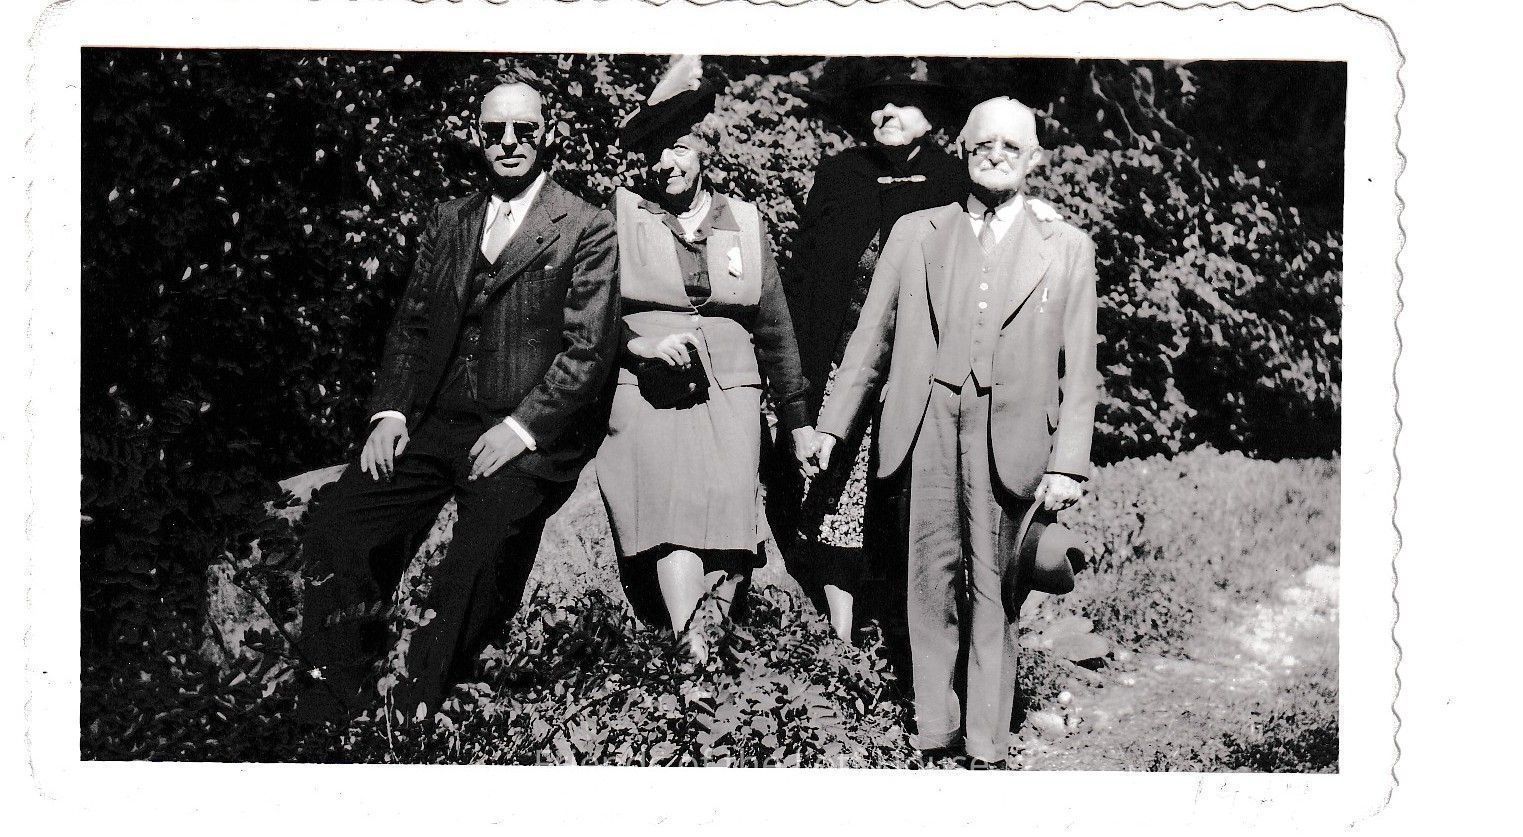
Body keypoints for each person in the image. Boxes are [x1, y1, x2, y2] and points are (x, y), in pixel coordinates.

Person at [294, 81, 621, 724]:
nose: (509, 143)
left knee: (479, 548)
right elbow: (412, 327)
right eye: (495, 131)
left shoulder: (587, 225)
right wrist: (390, 414)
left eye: (524, 130)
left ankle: (424, 703)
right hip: (437, 421)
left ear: (547, 134)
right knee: (344, 522)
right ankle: (338, 695)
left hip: (524, 431)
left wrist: (521, 428)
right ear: (478, 137)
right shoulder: (449, 219)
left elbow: (587, 351)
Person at [803, 96, 1101, 766]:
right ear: (962, 151)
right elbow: (870, 340)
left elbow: (1079, 369)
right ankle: (932, 728)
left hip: (1014, 434)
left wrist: (1068, 463)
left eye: (1011, 146)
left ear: (1034, 158)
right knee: (926, 579)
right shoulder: (917, 232)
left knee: (996, 587)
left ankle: (986, 741)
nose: (996, 155)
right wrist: (831, 427)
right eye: (983, 143)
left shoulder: (1066, 247)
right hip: (925, 422)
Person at [783, 59, 1061, 643]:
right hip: (840, 369)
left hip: (923, 377)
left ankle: (905, 631)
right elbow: (803, 278)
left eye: (903, 101)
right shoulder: (840, 176)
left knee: (911, 507)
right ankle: (840, 637)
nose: (885, 112)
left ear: (932, 118)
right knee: (834, 498)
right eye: (878, 101)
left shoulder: (955, 181)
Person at [595, 56, 815, 661]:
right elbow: (587, 313)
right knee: (672, 516)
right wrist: (637, 346)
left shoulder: (744, 221)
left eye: (679, 147)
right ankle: (691, 659)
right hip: (648, 390)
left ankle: (707, 647)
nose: (666, 163)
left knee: (731, 523)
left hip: (732, 392)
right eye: (654, 151)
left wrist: (797, 421)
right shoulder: (620, 215)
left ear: (704, 150)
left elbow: (775, 328)